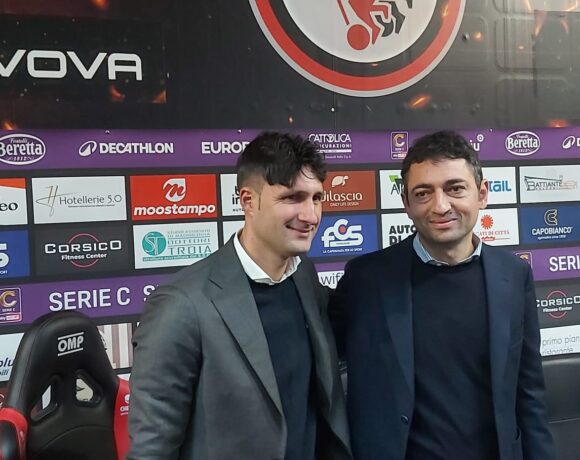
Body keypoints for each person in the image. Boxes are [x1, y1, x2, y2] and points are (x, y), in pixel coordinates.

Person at [127, 132, 352, 460]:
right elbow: (152, 448)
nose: (311, 215)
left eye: (316, 198)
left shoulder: (304, 276)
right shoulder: (181, 304)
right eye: (292, 198)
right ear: (248, 201)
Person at [331, 131, 553, 460]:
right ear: (406, 204)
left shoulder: (514, 275)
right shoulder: (366, 279)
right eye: (423, 193)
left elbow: (529, 394)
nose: (440, 206)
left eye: (455, 188)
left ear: (482, 194)